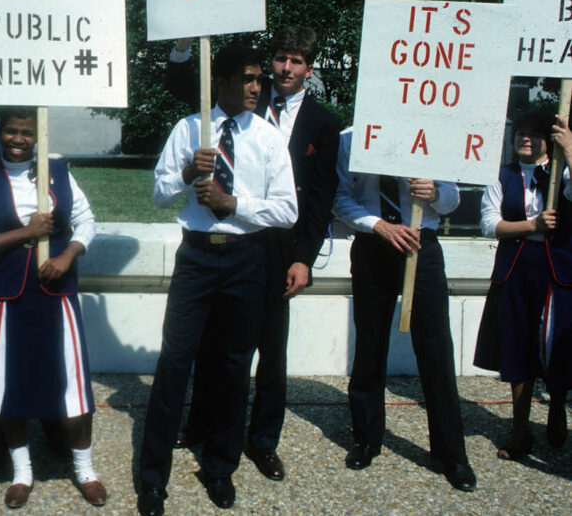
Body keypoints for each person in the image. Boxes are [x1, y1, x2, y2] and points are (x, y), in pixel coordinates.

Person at [166, 28, 340, 481]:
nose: (285, 69)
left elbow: (318, 199)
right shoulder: (246, 103)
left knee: (271, 350)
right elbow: (190, 86)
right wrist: (184, 47)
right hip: (236, 245)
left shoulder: (323, 123)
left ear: (309, 68)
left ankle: (262, 441)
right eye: (281, 58)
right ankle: (202, 423)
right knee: (217, 344)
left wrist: (304, 257)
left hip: (282, 247)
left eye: (297, 61)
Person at [137, 43, 297, 515]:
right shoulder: (190, 130)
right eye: (246, 79)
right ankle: (152, 477)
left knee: (232, 368)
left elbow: (288, 210)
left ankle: (220, 468)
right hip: (197, 258)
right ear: (221, 80)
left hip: (246, 258)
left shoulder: (267, 139)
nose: (255, 88)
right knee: (174, 364)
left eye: (258, 81)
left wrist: (235, 205)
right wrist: (189, 171)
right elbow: (159, 195)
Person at [0, 107, 107, 509]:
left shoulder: (57, 172)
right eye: (11, 131)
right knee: (12, 385)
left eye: (26, 132)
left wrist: (68, 255)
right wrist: (27, 232)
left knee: (72, 384)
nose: (18, 139)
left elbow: (86, 220)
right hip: (7, 295)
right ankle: (22, 472)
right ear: (0, 133)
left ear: (37, 135)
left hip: (55, 291)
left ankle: (85, 469)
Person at [333, 129, 476, 491]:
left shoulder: (428, 134)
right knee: (369, 343)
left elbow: (452, 200)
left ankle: (451, 453)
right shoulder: (350, 138)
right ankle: (366, 437)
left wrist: (435, 193)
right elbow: (340, 197)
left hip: (420, 245)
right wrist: (378, 225)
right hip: (373, 244)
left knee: (435, 348)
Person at [473, 110, 572, 459]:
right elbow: (489, 224)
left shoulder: (562, 172)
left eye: (534, 133)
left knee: (555, 346)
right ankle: (520, 429)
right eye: (519, 132)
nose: (524, 138)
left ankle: (557, 407)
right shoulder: (502, 176)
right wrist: (532, 226)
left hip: (557, 271)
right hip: (515, 270)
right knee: (516, 347)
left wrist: (570, 151)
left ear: (549, 140)